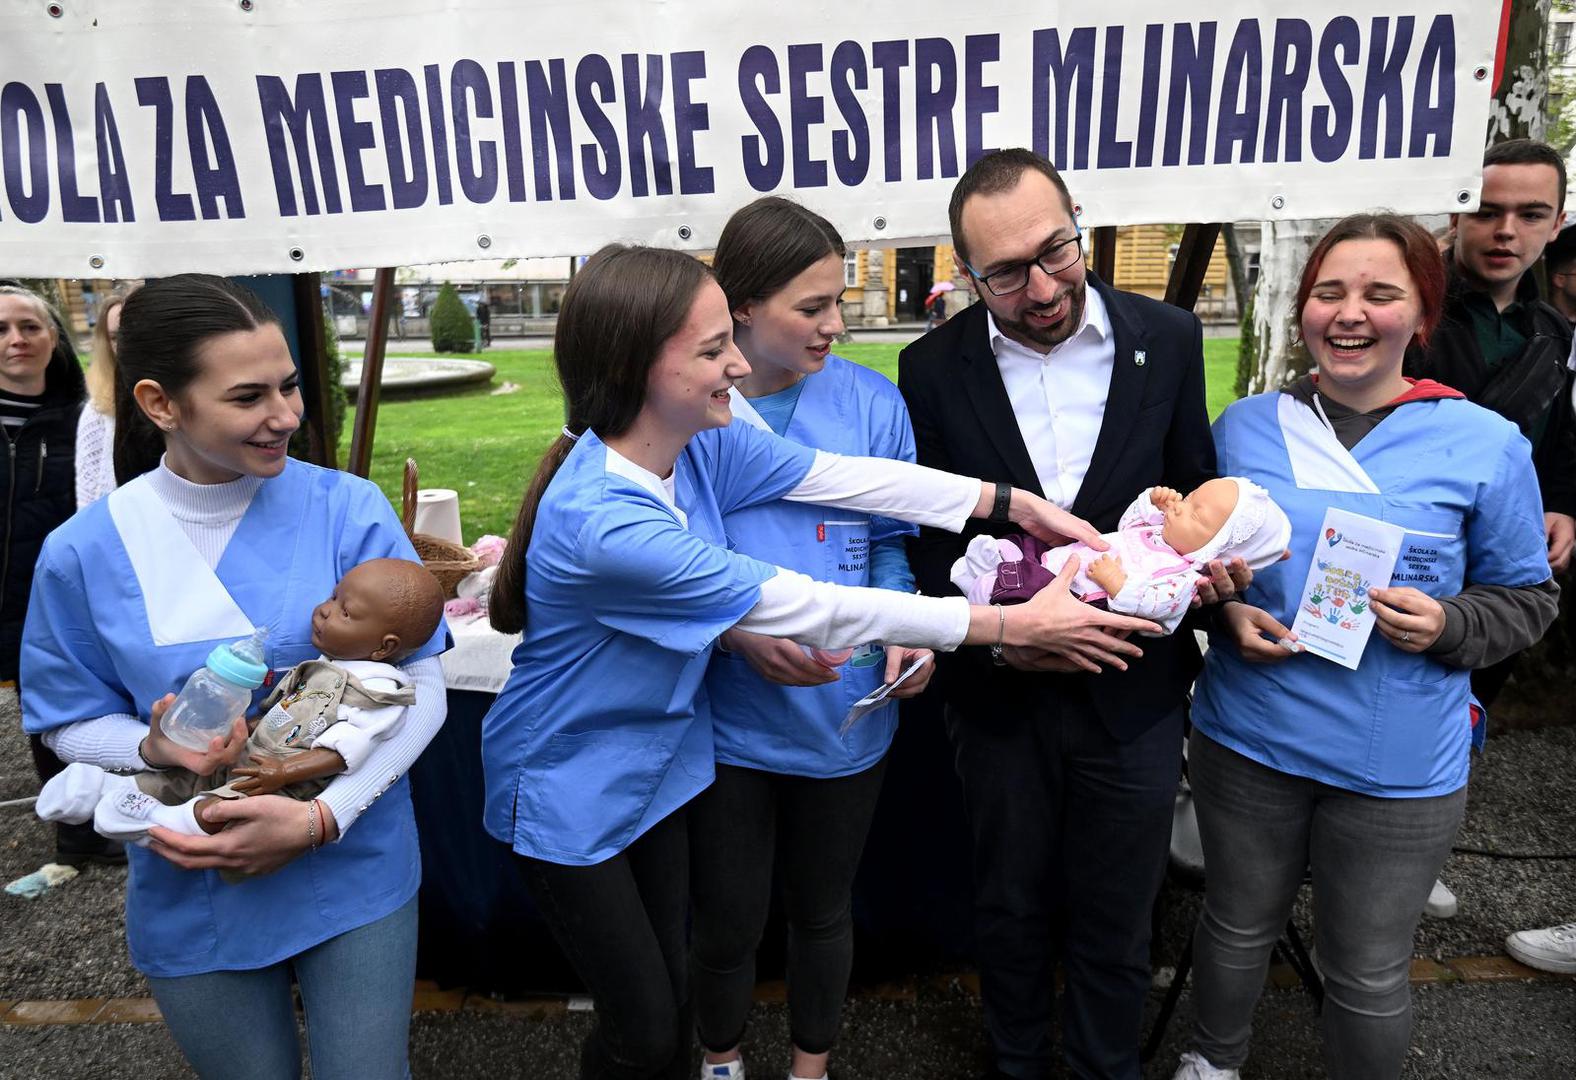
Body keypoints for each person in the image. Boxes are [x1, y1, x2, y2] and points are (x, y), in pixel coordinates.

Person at [482, 243, 1161, 1080]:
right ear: (635, 367)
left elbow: (843, 478)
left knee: (667, 1007)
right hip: (567, 790)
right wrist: (1004, 627)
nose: (736, 360)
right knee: (645, 1029)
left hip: (655, 770)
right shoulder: (608, 523)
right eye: (709, 350)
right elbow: (811, 606)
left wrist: (1011, 504)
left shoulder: (693, 443)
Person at [20, 275, 450, 1080]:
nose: (287, 414)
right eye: (249, 396)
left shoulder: (345, 507)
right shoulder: (83, 551)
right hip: (193, 877)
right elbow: (66, 718)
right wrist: (153, 747)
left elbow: (420, 687)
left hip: (351, 863)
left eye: (288, 385)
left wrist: (324, 816)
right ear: (159, 404)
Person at [1173, 214, 1558, 1080]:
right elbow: (1192, 567)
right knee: (1235, 925)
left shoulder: (1486, 443)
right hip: (1249, 734)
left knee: (1369, 968)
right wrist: (1222, 615)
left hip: (1398, 758)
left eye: (1381, 294)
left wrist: (1451, 624)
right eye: (1329, 292)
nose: (1350, 313)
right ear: (1304, 308)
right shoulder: (1243, 428)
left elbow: (1530, 597)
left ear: (1422, 312)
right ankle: (1212, 1062)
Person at [898, 148, 1243, 1080]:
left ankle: (1103, 1068)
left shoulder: (1166, 338)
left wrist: (1209, 573)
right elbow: (931, 540)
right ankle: (1016, 1063)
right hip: (998, 693)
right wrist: (1004, 645)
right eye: (1004, 274)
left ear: (1078, 222)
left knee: (1119, 909)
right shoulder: (929, 368)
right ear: (967, 273)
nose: (1041, 288)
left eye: (1056, 252)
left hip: (1134, 690)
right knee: (1008, 905)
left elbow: (1191, 499)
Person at [684, 197, 930, 1080]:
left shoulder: (871, 401)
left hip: (845, 709)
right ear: (741, 306)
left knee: (823, 909)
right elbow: (666, 559)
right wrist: (737, 637)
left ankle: (810, 1066)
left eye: (839, 301)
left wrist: (905, 626)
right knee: (727, 916)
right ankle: (719, 1059)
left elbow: (897, 539)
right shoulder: (692, 407)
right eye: (811, 307)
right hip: (730, 720)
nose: (836, 324)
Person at [1403, 138, 1576, 922]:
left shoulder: (1555, 334)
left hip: (1505, 561)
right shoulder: (1413, 313)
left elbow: (1564, 441)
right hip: (1417, 547)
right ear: (1456, 212)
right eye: (1487, 210)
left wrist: (1566, 503)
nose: (1505, 230)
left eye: (1529, 214)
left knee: (1468, 712)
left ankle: (1425, 848)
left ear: (1556, 222)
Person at [36, 557, 443, 849]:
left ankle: (163, 820)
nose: (324, 609)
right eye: (333, 596)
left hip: (288, 785)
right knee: (193, 777)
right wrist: (247, 728)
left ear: (383, 647)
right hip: (253, 759)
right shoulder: (324, 667)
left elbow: (343, 752)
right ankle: (101, 787)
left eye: (345, 612)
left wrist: (284, 771)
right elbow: (282, 708)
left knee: (223, 807)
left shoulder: (376, 692)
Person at [0, 285, 105, 868]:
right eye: (2, 329)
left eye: (30, 326)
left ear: (53, 337)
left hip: (48, 594)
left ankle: (80, 828)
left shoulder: (84, 419)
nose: (16, 340)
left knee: (52, 712)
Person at [952, 478, 1291, 634]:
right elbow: (1127, 525)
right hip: (1069, 556)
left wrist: (1119, 584)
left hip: (1076, 595)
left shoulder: (1182, 579)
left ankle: (991, 591)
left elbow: (1152, 608)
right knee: (1030, 549)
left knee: (1031, 587)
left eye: (1196, 514)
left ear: (1216, 550)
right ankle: (999, 561)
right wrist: (1150, 501)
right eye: (1189, 496)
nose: (1181, 506)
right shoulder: (1158, 532)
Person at [77, 289, 130, 508]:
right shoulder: (98, 409)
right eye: (116, 337)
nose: (126, 344)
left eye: (133, 332)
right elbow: (87, 493)